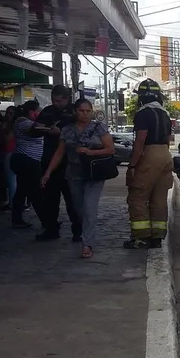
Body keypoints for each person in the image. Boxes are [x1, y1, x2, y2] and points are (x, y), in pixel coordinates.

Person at [41, 99, 114, 258]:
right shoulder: (67, 130)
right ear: (75, 111)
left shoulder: (99, 128)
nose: (85, 114)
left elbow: (110, 149)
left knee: (89, 208)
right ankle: (85, 232)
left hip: (94, 175)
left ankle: (87, 243)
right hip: (74, 175)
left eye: (88, 111)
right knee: (79, 209)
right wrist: (48, 173)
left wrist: (91, 152)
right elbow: (60, 154)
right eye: (82, 111)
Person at [124, 79, 173, 249]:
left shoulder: (143, 113)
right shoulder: (165, 114)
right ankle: (157, 237)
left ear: (142, 97)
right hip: (166, 155)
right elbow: (168, 140)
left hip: (149, 154)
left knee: (138, 197)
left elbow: (140, 142)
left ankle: (141, 238)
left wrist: (132, 166)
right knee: (159, 199)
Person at [37, 85, 81, 241]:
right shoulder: (47, 111)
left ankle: (78, 231)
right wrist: (40, 129)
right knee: (49, 198)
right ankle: (51, 229)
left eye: (59, 100)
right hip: (49, 159)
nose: (56, 103)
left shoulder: (75, 112)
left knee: (72, 199)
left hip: (69, 161)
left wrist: (60, 132)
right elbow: (35, 128)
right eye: (54, 100)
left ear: (66, 98)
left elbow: (80, 130)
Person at [10, 100, 47, 229]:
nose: (38, 114)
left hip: (28, 160)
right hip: (26, 160)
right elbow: (35, 130)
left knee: (23, 190)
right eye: (37, 112)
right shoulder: (23, 122)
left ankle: (17, 218)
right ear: (31, 112)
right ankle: (46, 220)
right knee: (35, 191)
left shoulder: (27, 122)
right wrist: (48, 127)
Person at [2, 106, 17, 207]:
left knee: (11, 178)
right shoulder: (7, 125)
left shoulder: (13, 126)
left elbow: (6, 140)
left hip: (11, 152)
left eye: (11, 113)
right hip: (9, 152)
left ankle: (13, 202)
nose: (8, 115)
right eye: (7, 113)